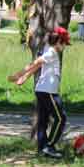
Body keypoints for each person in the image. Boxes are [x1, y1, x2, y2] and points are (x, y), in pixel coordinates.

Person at [8, 27, 71, 159]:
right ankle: (49, 146)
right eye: (64, 43)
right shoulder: (52, 52)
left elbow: (38, 66)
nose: (65, 46)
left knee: (43, 121)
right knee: (60, 118)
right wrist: (18, 74)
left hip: (42, 90)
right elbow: (35, 62)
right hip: (48, 92)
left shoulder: (49, 50)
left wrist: (24, 78)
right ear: (59, 41)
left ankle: (42, 148)